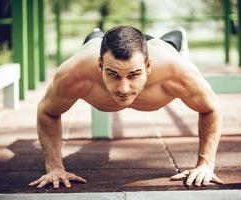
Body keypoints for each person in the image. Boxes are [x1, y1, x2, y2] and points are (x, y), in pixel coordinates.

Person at [28, 25, 223, 189]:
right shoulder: (74, 74)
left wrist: (205, 164)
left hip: (163, 49)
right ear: (99, 65)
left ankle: (175, 35)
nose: (123, 89)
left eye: (133, 75)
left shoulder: (177, 71)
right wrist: (54, 167)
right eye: (113, 74)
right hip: (95, 49)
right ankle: (96, 35)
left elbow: (210, 109)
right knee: (94, 41)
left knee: (167, 44)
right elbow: (47, 111)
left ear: (148, 66)